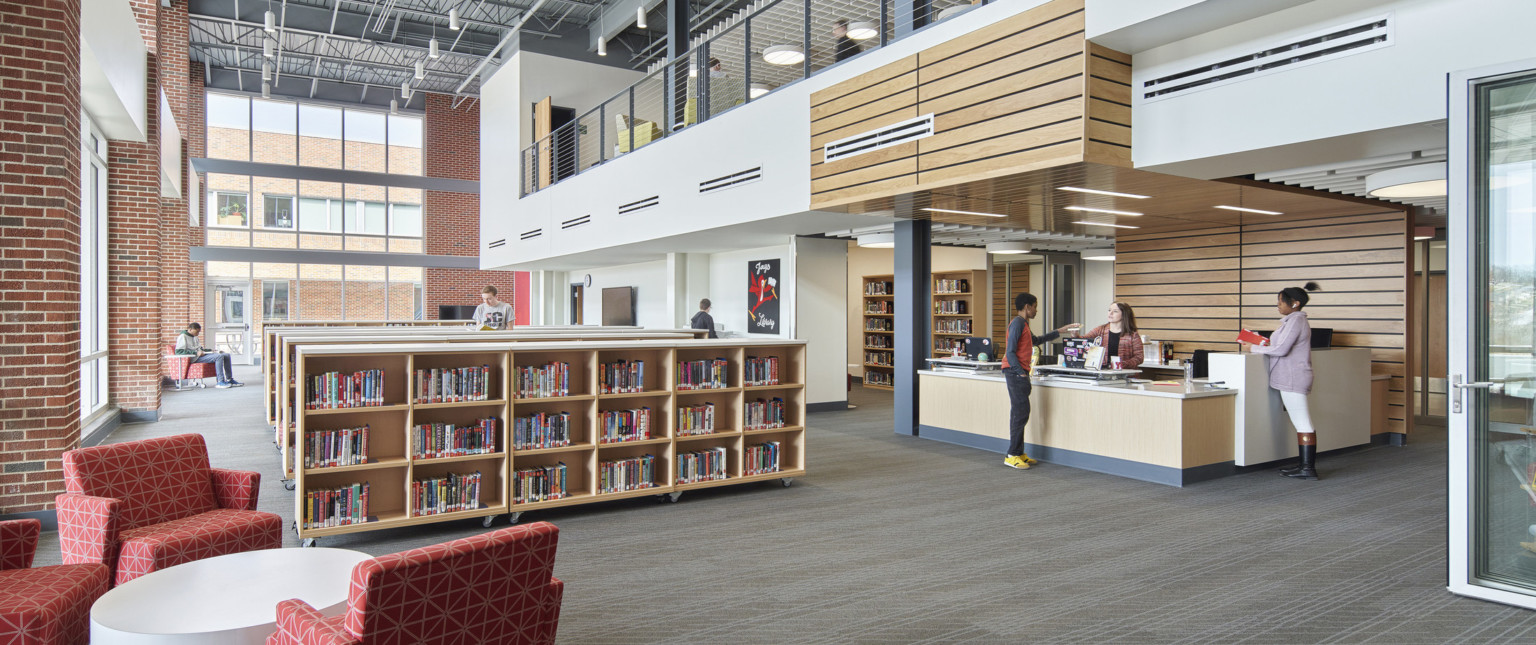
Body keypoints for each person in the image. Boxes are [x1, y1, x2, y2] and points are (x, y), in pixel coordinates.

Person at [1240, 282, 1321, 481]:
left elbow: (1282, 350)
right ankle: (1304, 465)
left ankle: (1308, 468)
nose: (1278, 305)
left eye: (1280, 302)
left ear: (1294, 303)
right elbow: (1280, 345)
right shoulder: (1292, 321)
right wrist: (1262, 342)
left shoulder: (1295, 322)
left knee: (1302, 421)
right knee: (1300, 421)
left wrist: (1254, 349)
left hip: (1293, 377)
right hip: (1289, 376)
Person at [1001, 293, 1078, 470]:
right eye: (1035, 306)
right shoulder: (1018, 323)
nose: (1036, 310)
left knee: (1022, 412)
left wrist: (1061, 330)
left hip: (1018, 372)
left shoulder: (1024, 325)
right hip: (1015, 373)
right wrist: (1020, 373)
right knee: (1020, 413)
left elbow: (1036, 341)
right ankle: (1012, 455)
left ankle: (1019, 452)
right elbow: (1010, 351)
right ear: (1027, 307)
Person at [1078, 302, 1144, 370]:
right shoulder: (1100, 330)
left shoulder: (1133, 335)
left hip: (1125, 375)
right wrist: (1074, 334)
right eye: (1109, 310)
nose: (1110, 313)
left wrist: (1123, 364)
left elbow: (1139, 357)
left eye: (1115, 311)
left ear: (1124, 315)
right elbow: (1082, 341)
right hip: (1102, 373)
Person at [174, 323, 241, 388]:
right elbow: (179, 351)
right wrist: (195, 353)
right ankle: (220, 381)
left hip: (200, 355)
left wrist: (210, 350)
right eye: (196, 331)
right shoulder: (182, 336)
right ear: (190, 329)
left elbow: (199, 348)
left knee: (226, 355)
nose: (198, 334)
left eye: (199, 332)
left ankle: (229, 379)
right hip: (194, 358)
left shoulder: (195, 337)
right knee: (219, 356)